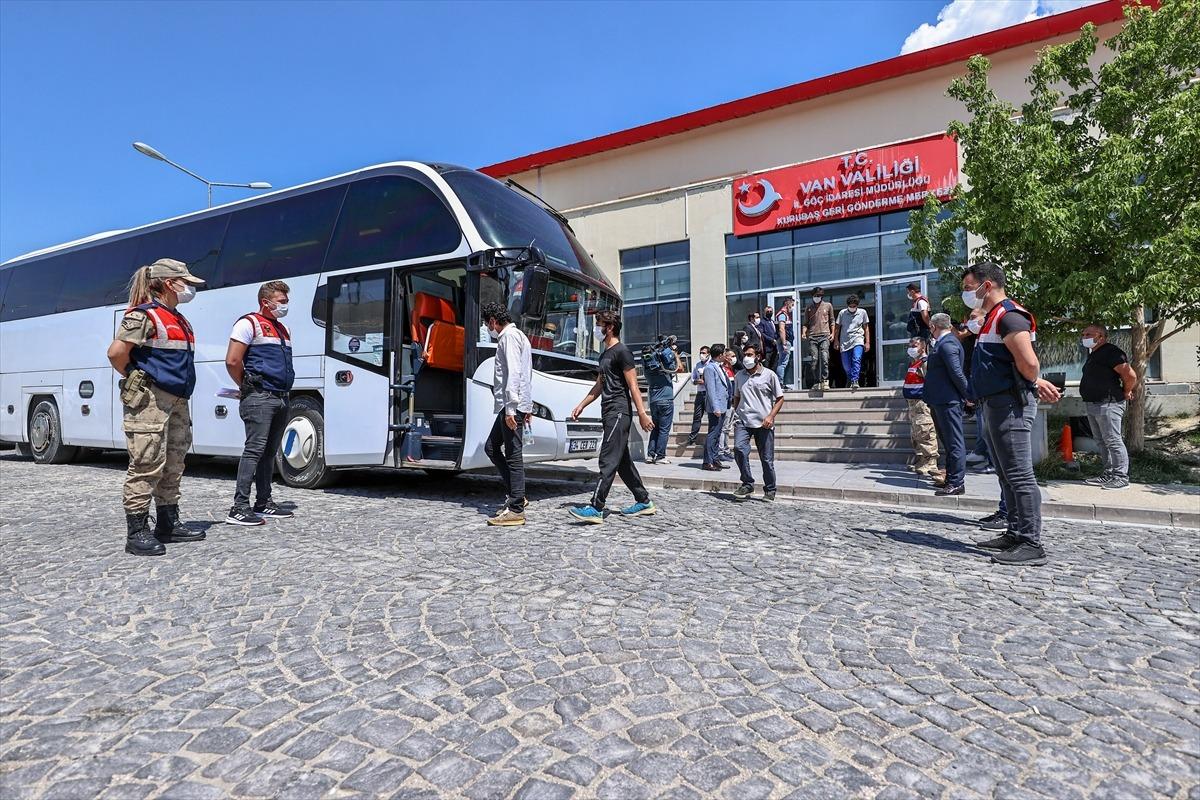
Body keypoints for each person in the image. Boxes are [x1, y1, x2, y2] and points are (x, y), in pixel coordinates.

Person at [962, 261, 1062, 566]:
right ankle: (1015, 531)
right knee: (1005, 473)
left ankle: (1031, 542)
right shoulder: (992, 318)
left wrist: (1034, 380)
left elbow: (1029, 364)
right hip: (994, 402)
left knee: (1019, 473)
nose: (967, 294)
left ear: (986, 285)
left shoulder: (1010, 317)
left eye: (969, 288)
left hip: (1010, 404)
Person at [106, 258, 207, 557]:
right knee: (146, 463)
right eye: (185, 282)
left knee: (173, 462)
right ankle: (137, 531)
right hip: (151, 401)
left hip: (177, 400)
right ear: (167, 283)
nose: (189, 288)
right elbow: (116, 353)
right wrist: (137, 378)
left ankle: (168, 522)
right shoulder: (144, 316)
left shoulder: (179, 318)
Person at [568, 310, 656, 523]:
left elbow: (633, 386)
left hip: (619, 411)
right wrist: (581, 405)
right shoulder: (605, 353)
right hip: (608, 411)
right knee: (622, 461)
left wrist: (642, 413)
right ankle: (644, 501)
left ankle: (596, 507)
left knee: (607, 458)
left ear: (610, 327)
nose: (596, 329)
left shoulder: (622, 351)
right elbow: (600, 384)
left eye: (599, 324)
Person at [223, 281, 297, 526]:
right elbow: (233, 361)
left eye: (286, 301)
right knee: (254, 450)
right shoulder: (248, 323)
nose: (285, 305)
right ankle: (239, 507)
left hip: (280, 396)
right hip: (260, 396)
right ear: (266, 302)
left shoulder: (282, 328)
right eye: (282, 301)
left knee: (269, 452)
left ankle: (263, 502)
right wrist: (248, 387)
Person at [480, 301, 533, 526]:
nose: (487, 328)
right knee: (491, 447)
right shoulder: (519, 335)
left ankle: (516, 509)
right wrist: (526, 406)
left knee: (513, 455)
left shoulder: (509, 338)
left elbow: (514, 373)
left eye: (486, 324)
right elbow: (526, 374)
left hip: (511, 406)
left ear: (493, 321)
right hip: (514, 405)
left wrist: (512, 408)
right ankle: (516, 494)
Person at [1079, 323, 1137, 490]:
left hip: (1109, 403)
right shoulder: (1094, 354)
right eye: (1083, 334)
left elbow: (1130, 375)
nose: (1084, 337)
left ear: (1101, 337)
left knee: (1113, 440)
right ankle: (1108, 473)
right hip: (1093, 403)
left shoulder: (1112, 352)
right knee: (1101, 441)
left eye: (1088, 334)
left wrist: (1127, 391)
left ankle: (1121, 477)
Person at [924, 312, 971, 496]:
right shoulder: (943, 343)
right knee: (947, 442)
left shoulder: (948, 344)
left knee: (954, 442)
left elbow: (957, 373)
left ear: (933, 327)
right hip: (939, 400)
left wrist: (969, 395)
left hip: (948, 401)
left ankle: (957, 482)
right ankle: (951, 478)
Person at [732, 344, 785, 502]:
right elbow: (736, 396)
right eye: (745, 354)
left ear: (758, 357)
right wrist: (737, 411)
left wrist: (770, 416)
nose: (746, 357)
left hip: (764, 423)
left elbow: (780, 398)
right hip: (743, 421)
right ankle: (747, 483)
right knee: (739, 449)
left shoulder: (769, 375)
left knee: (766, 459)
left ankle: (770, 488)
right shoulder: (739, 376)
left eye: (749, 354)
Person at [902, 337, 940, 477]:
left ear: (923, 347)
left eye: (915, 345)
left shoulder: (925, 362)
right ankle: (921, 460)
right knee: (916, 433)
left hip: (922, 403)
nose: (911, 347)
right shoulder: (914, 363)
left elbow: (931, 383)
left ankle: (931, 462)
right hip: (913, 404)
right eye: (910, 344)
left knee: (926, 432)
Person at [645, 336, 680, 464]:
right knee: (664, 429)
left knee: (655, 428)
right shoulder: (665, 366)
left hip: (654, 400)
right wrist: (674, 353)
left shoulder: (648, 367)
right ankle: (660, 456)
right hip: (666, 399)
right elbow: (678, 368)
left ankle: (650, 455)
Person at [700, 343, 732, 471]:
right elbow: (711, 390)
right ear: (719, 355)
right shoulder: (710, 368)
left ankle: (715, 458)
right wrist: (715, 407)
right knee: (713, 434)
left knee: (718, 434)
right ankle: (707, 461)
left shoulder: (720, 367)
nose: (726, 355)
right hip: (716, 407)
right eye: (724, 353)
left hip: (724, 405)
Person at [833, 294, 870, 390]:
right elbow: (837, 328)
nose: (852, 308)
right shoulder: (842, 313)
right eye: (851, 306)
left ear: (857, 305)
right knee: (846, 365)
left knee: (856, 359)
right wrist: (836, 340)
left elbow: (866, 328)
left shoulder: (863, 312)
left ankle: (855, 380)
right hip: (844, 341)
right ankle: (850, 377)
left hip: (858, 339)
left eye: (854, 306)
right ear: (847, 305)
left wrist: (867, 342)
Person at [801, 287, 835, 391]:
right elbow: (805, 323)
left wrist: (833, 333)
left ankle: (825, 381)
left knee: (824, 358)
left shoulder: (828, 305)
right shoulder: (809, 308)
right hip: (813, 336)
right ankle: (816, 381)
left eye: (819, 296)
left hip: (824, 335)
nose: (817, 297)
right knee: (814, 360)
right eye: (815, 296)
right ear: (812, 296)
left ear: (822, 296)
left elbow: (832, 320)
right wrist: (803, 333)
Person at [686, 345, 710, 446]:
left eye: (704, 353)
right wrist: (697, 381)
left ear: (708, 354)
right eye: (701, 353)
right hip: (700, 393)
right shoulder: (697, 365)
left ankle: (710, 439)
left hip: (709, 394)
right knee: (697, 416)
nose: (702, 355)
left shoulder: (712, 365)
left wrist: (706, 381)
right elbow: (693, 379)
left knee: (711, 417)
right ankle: (692, 439)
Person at [775, 297, 797, 384]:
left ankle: (781, 383)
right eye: (792, 305)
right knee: (782, 363)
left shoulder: (786, 315)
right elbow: (781, 329)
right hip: (784, 341)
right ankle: (779, 383)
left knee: (783, 362)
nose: (793, 307)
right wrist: (784, 343)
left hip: (786, 341)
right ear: (787, 304)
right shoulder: (782, 315)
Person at [757, 306, 780, 371]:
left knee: (774, 367)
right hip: (767, 349)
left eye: (771, 311)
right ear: (764, 312)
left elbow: (776, 333)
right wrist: (771, 340)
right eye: (768, 311)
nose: (769, 313)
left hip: (774, 348)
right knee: (766, 368)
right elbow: (761, 334)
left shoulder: (773, 322)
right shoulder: (762, 322)